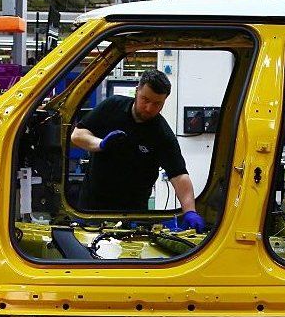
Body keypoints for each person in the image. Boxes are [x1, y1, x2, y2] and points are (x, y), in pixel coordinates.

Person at [70, 69, 205, 231]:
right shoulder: (112, 107)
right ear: (137, 91)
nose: (149, 108)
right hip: (92, 209)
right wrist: (100, 144)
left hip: (134, 214)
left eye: (157, 104)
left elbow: (179, 175)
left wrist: (190, 211)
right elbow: (77, 135)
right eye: (145, 99)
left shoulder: (161, 133)